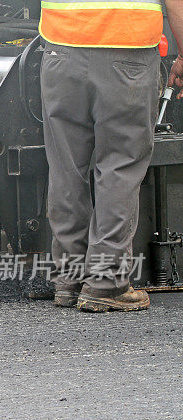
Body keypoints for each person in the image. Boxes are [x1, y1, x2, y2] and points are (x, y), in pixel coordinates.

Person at [39, 0, 183, 311]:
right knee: (119, 165)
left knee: (66, 169)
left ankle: (69, 279)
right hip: (126, 54)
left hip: (60, 52)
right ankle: (106, 283)